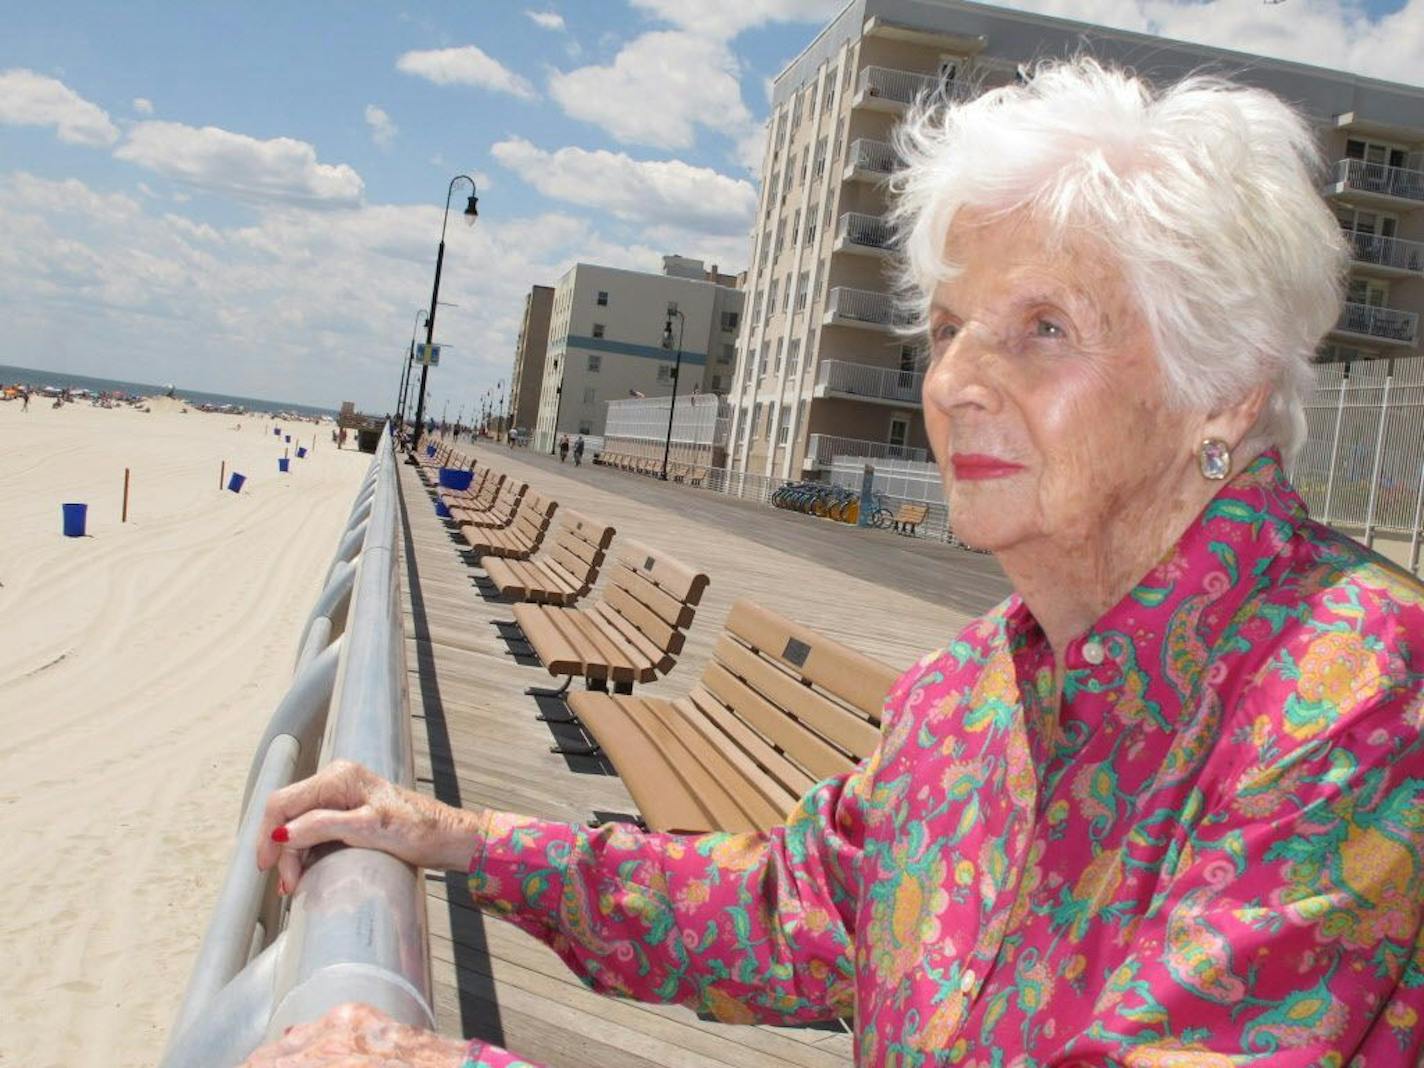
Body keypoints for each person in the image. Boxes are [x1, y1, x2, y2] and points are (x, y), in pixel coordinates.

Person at [247, 60, 1424, 1066]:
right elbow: (787, 914)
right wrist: (458, 840)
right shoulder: (974, 692)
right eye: (950, 328)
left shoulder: (1356, 698)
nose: (956, 382)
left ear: (1219, 390)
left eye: (1042, 330)